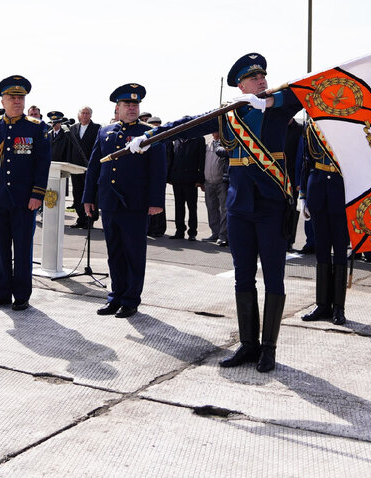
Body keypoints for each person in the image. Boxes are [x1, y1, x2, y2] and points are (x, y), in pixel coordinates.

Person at [138, 53, 303, 372]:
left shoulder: (280, 106)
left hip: (271, 205)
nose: (261, 81)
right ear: (240, 85)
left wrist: (268, 102)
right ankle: (248, 344)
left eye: (263, 77)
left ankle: (268, 348)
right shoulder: (229, 114)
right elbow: (187, 126)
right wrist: (147, 139)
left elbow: (309, 93)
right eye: (254, 79)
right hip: (240, 207)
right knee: (243, 276)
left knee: (274, 278)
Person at [84, 83, 166, 319]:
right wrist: (89, 197)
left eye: (135, 104)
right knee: (115, 252)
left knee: (134, 253)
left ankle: (131, 299)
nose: (132, 107)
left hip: (136, 203)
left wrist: (156, 201)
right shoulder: (105, 131)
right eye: (127, 104)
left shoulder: (149, 132)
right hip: (110, 203)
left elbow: (158, 170)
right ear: (117, 107)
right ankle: (116, 297)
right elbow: (94, 167)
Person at [0, 75, 51, 312]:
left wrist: (37, 194)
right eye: (12, 97)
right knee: (1, 246)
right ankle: (1, 293)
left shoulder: (37, 127)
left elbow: (42, 164)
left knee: (22, 247)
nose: (17, 101)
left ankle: (21, 294)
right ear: (3, 101)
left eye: (21, 97)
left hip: (24, 199)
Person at [298, 121, 350, 325]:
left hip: (341, 191)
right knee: (321, 250)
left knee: (339, 250)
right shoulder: (312, 125)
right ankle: (322, 304)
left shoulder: (347, 125)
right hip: (318, 189)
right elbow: (305, 161)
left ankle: (338, 306)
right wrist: (302, 196)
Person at [168, 133, 205, 240]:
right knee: (178, 206)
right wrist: (170, 177)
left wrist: (200, 179)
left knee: (192, 207)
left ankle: (192, 232)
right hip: (177, 178)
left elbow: (202, 159)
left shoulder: (198, 139)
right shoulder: (177, 139)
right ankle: (179, 231)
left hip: (191, 179)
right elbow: (172, 158)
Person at [68, 106, 99, 227]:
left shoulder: (97, 128)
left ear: (91, 115)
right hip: (75, 166)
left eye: (87, 113)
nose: (85, 115)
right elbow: (70, 147)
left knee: (90, 193)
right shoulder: (73, 128)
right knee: (77, 192)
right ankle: (81, 218)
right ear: (79, 115)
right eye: (83, 113)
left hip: (90, 167)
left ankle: (90, 219)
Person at [202, 135, 229, 246]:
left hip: (221, 181)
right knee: (211, 208)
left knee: (224, 209)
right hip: (208, 181)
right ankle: (215, 233)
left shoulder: (226, 143)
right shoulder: (208, 144)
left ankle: (223, 236)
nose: (214, 132)